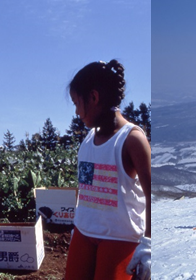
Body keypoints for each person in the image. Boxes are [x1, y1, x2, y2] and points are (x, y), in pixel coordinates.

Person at [64, 60, 151, 280]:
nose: (76, 112)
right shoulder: (88, 140)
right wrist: (80, 223)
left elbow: (153, 197)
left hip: (120, 238)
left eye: (77, 103)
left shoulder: (132, 139)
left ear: (93, 98)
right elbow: (85, 189)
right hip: (84, 233)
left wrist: (148, 243)